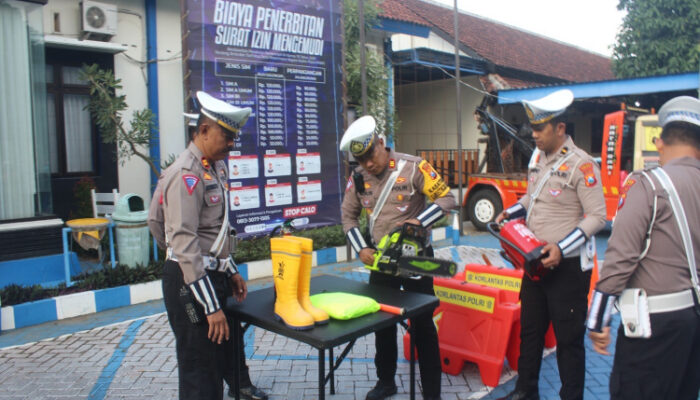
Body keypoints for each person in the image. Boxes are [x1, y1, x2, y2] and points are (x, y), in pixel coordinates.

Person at [148, 92, 267, 400]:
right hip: (189, 281)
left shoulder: (213, 166)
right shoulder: (185, 174)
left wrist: (229, 270)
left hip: (209, 275)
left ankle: (240, 387)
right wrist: (210, 305)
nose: (231, 144)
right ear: (202, 132)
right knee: (200, 367)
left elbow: (213, 231)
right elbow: (181, 240)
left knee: (222, 351)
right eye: (226, 136)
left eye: (234, 138)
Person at [495, 89, 606, 400]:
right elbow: (533, 197)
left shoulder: (582, 165)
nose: (534, 135)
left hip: (567, 268)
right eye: (532, 128)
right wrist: (511, 211)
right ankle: (525, 391)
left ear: (560, 128)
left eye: (540, 129)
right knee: (530, 333)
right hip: (535, 262)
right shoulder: (538, 158)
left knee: (569, 342)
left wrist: (561, 247)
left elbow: (597, 216)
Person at [586, 96, 700, 400]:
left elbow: (620, 257)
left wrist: (597, 320)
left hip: (652, 327)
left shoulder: (649, 185)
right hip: (693, 321)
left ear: (660, 142)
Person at [340, 115, 456, 400]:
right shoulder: (358, 178)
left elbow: (447, 199)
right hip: (381, 261)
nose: (368, 164)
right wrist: (362, 249)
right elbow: (348, 217)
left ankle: (431, 392)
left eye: (370, 155)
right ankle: (385, 381)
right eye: (361, 159)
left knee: (423, 326)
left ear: (381, 143)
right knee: (383, 325)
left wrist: (420, 221)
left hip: (416, 260)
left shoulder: (413, 167)